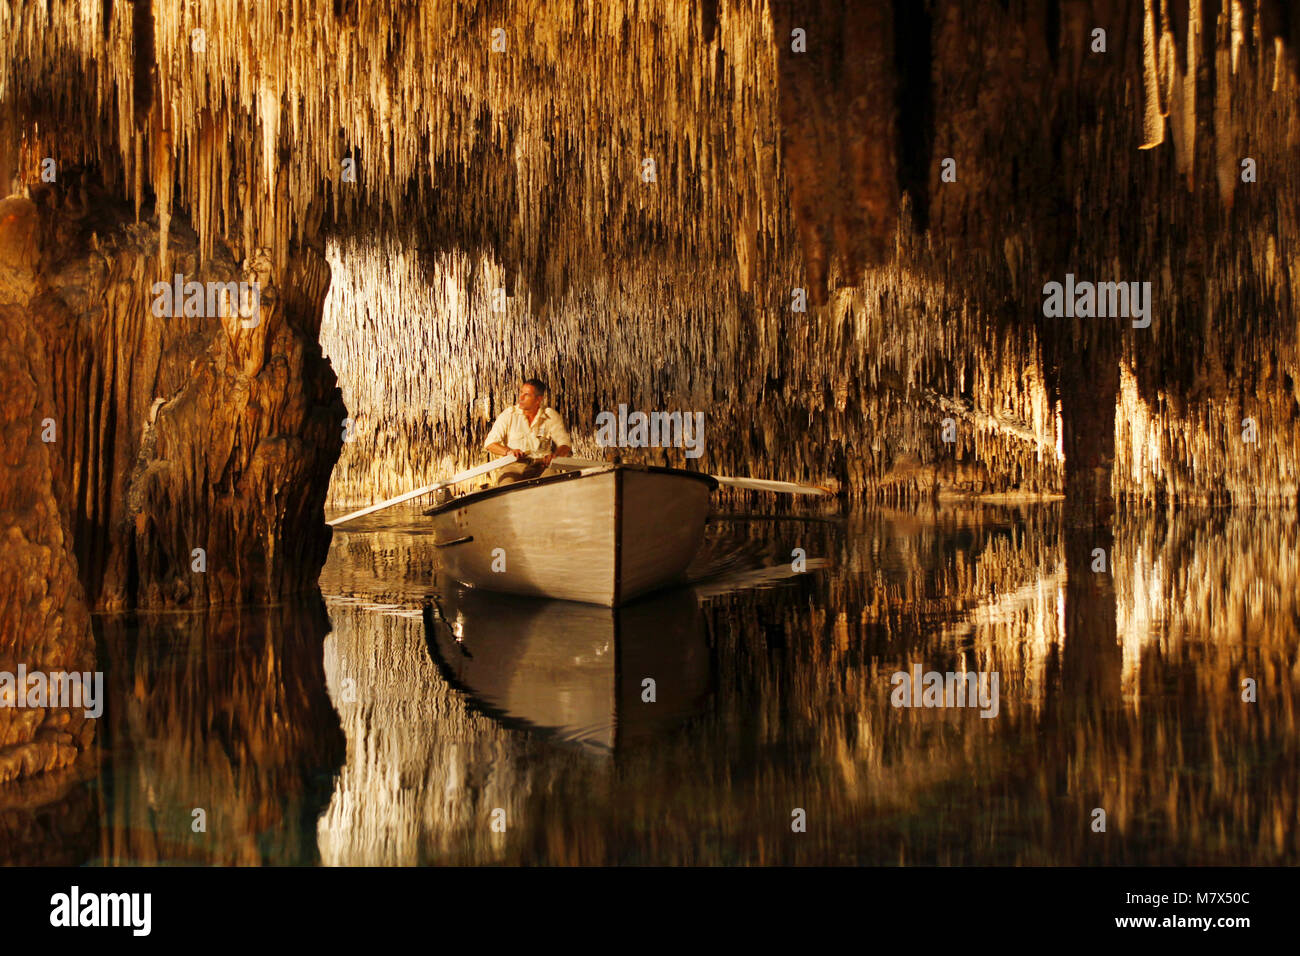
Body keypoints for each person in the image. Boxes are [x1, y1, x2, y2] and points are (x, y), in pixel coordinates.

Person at [483, 378, 573, 485]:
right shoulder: (509, 415)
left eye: (527, 395)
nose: (521, 397)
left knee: (552, 482)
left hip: (542, 466)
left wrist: (555, 456)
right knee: (506, 484)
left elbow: (565, 444)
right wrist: (508, 452)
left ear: (538, 399)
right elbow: (489, 443)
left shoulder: (550, 415)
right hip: (514, 465)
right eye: (521, 393)